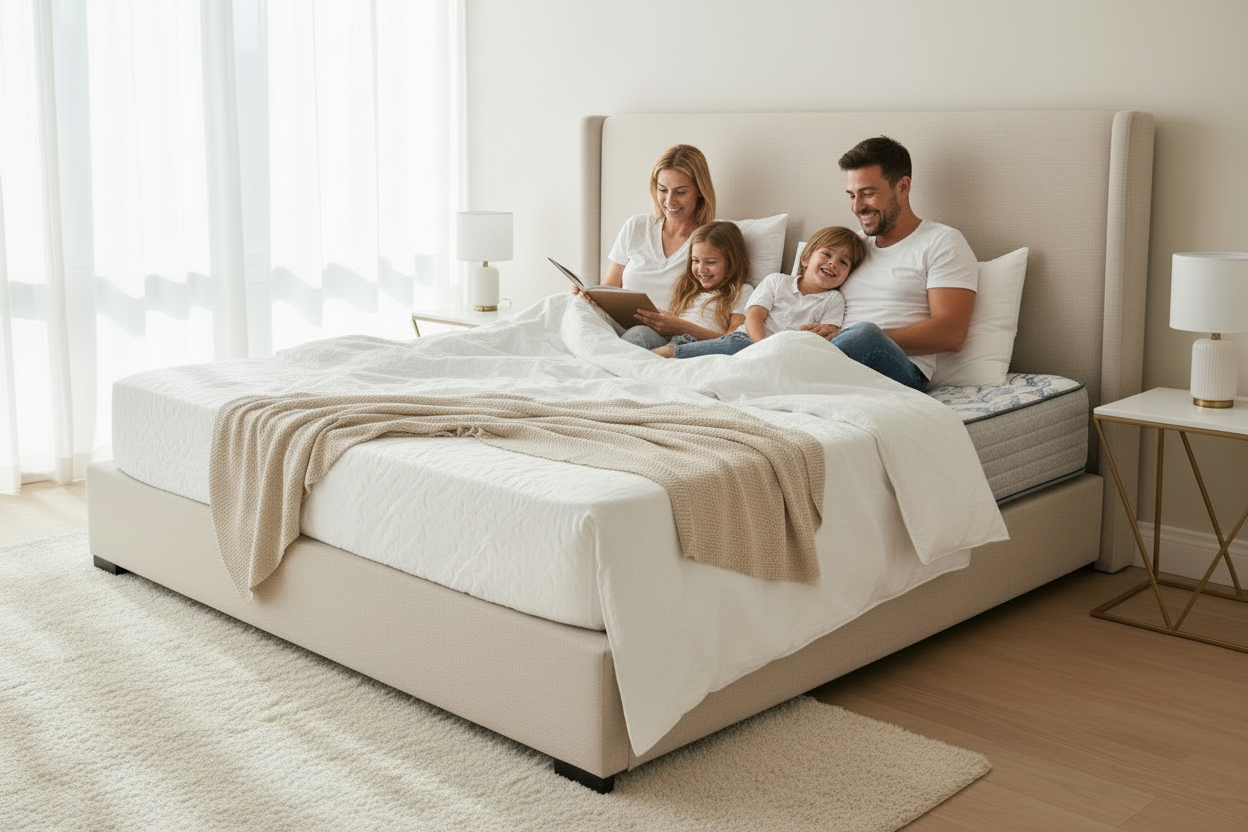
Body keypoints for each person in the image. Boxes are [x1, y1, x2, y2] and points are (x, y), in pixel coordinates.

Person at [809, 136, 978, 390]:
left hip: (899, 369)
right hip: (837, 360)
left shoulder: (942, 242)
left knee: (866, 334)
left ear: (903, 187)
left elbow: (951, 332)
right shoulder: (850, 248)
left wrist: (854, 337)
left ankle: (788, 375)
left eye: (868, 194)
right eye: (852, 195)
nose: (857, 207)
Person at [653, 226, 865, 358]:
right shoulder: (776, 281)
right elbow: (754, 316)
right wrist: (761, 345)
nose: (833, 263)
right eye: (827, 254)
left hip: (787, 353)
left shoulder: (834, 300)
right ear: (805, 258)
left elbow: (826, 335)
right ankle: (675, 352)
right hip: (751, 340)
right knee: (734, 344)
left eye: (843, 262)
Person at [575, 144, 717, 314]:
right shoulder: (636, 226)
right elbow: (610, 288)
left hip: (668, 327)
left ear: (700, 190)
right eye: (662, 190)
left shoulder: (711, 240)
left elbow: (717, 303)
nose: (669, 201)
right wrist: (589, 296)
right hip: (621, 321)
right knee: (565, 305)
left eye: (680, 192)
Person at [620, 221, 753, 350]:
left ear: (732, 261)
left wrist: (681, 327)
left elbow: (732, 340)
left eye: (710, 262)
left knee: (639, 334)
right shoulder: (690, 287)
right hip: (668, 338)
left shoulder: (742, 291)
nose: (701, 269)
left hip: (694, 346)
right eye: (695, 260)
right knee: (637, 332)